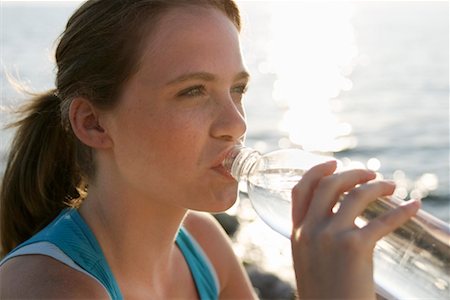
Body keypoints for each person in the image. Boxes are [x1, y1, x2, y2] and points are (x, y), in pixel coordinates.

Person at [0, 0, 420, 299]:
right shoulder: (49, 288)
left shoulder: (200, 241)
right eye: (193, 91)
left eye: (236, 89)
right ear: (92, 122)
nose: (236, 123)